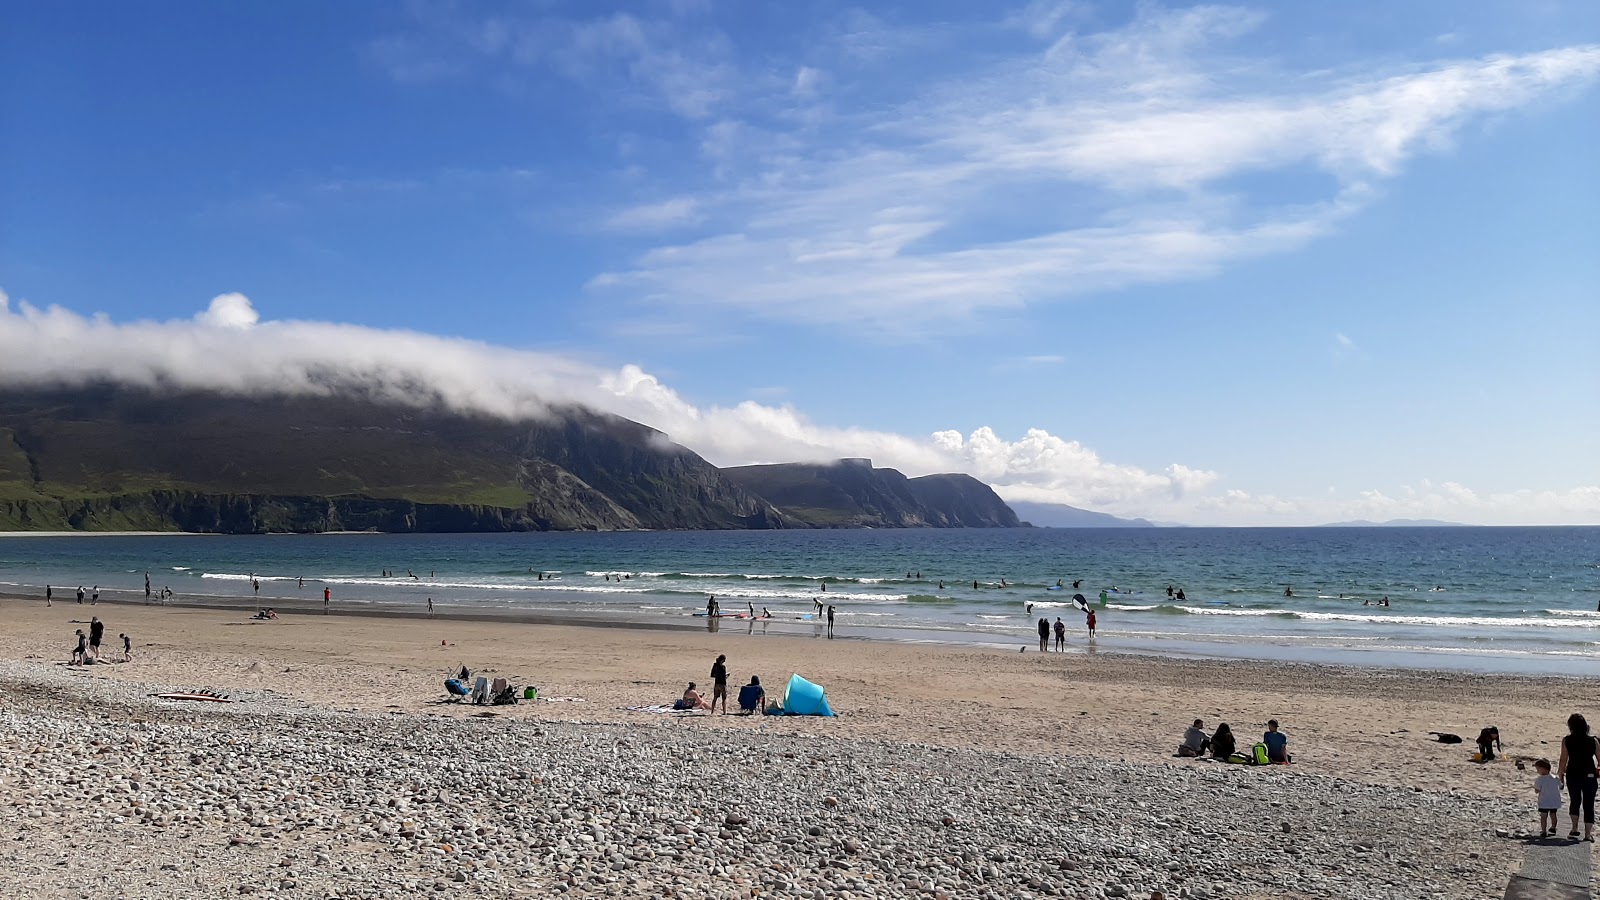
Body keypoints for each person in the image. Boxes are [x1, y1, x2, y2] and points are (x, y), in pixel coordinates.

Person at [1560, 713, 1599, 841]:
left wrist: (1560, 774)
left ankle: (1574, 828)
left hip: (1573, 773)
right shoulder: (1593, 741)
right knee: (1589, 804)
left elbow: (1563, 760)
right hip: (1589, 774)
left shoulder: (1567, 740)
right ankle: (1587, 834)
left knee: (1575, 800)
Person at [1535, 759, 1563, 838]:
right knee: (1553, 815)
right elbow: (1561, 786)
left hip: (1544, 801)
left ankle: (1544, 831)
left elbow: (1537, 790)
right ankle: (1553, 827)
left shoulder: (1540, 779)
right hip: (1554, 801)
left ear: (1543, 769)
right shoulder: (1555, 778)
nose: (1537, 771)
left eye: (1538, 769)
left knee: (1544, 816)